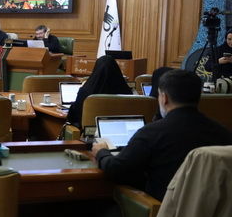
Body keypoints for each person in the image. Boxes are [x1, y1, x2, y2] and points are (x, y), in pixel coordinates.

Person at [91, 69, 232, 201]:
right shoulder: (222, 132)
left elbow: (116, 170)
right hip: (211, 213)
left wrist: (102, 152)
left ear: (164, 98)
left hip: (162, 212)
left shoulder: (151, 133)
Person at [66, 55, 131, 126]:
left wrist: (82, 88)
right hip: (121, 130)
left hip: (90, 131)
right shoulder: (128, 94)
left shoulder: (85, 92)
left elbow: (75, 115)